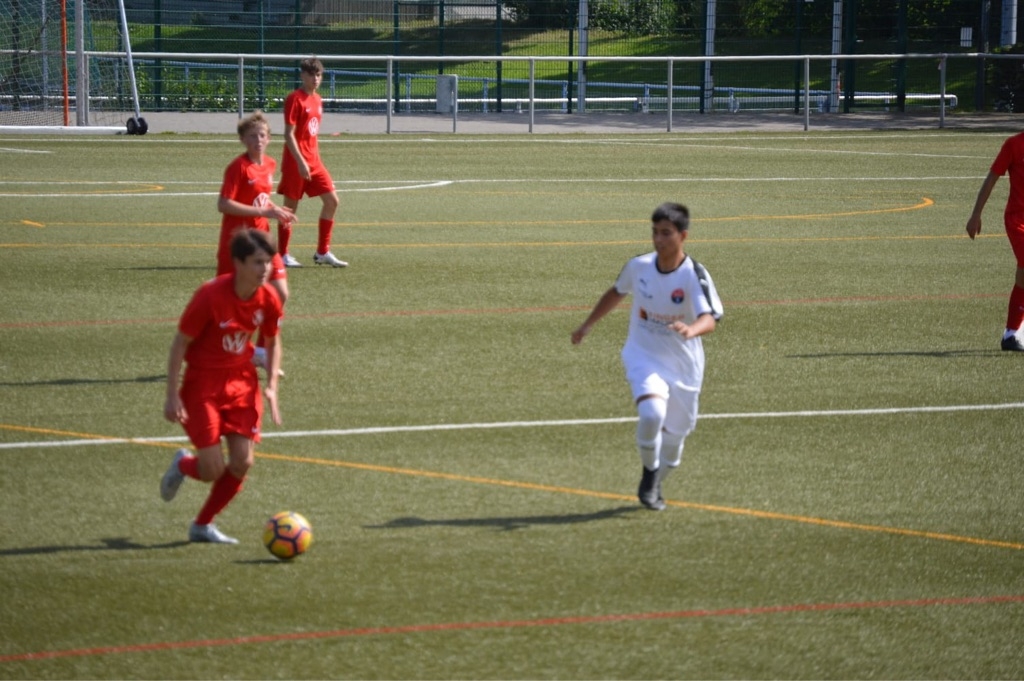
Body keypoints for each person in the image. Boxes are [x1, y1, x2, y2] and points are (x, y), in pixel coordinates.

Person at [571, 203, 723, 511]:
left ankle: (656, 481)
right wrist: (587, 325)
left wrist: (691, 330)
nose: (658, 240)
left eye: (666, 233)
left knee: (675, 443)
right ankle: (649, 472)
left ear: (683, 236)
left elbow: (710, 317)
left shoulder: (693, 275)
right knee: (652, 414)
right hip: (643, 355)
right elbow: (617, 291)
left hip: (684, 366)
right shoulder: (639, 266)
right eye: (655, 232)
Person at [161, 228, 285, 544]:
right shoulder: (210, 295)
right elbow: (180, 343)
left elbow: (272, 341)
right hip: (202, 385)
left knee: (243, 462)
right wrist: (172, 394)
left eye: (268, 262)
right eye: (258, 262)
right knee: (212, 469)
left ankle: (202, 525)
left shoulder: (268, 298)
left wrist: (271, 384)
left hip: (242, 383)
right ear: (238, 263)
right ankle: (184, 464)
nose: (265, 269)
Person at [216, 110, 294, 368]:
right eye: (251, 136)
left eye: (261, 135)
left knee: (280, 292)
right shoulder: (238, 167)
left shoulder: (270, 164)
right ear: (242, 139)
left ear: (269, 138)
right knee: (227, 306)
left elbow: (260, 200)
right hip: (237, 245)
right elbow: (224, 204)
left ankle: (260, 351)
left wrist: (276, 210)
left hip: (262, 243)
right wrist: (264, 211)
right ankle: (217, 350)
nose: (257, 140)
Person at [276, 56, 347, 268]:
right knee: (289, 209)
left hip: (314, 162)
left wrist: (311, 160)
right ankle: (282, 255)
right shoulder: (294, 99)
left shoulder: (318, 100)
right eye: (311, 75)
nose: (315, 79)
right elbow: (288, 134)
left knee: (332, 201)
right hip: (295, 163)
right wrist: (300, 162)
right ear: (302, 76)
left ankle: (322, 252)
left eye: (318, 75)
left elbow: (311, 134)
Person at [966, 131, 1024, 351]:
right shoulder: (1014, 144)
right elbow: (992, 178)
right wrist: (976, 214)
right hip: (1018, 220)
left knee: (1023, 276)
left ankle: (1012, 334)